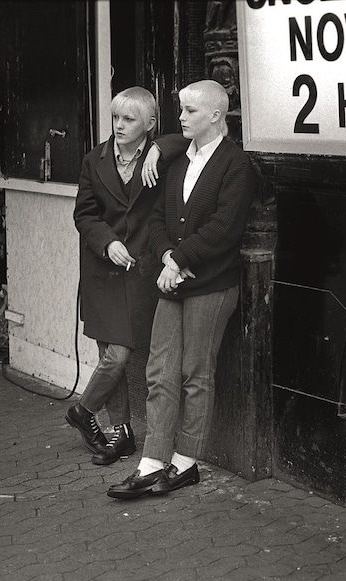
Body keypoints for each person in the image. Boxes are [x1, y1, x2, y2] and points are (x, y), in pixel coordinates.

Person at [108, 79, 257, 499]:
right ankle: (152, 462)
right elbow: (157, 218)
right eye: (181, 110)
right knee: (159, 372)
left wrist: (177, 260)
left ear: (215, 115)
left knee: (196, 373)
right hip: (174, 281)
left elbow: (225, 228)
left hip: (212, 284)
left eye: (190, 111)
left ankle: (186, 461)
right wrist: (167, 257)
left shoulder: (236, 164)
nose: (181, 117)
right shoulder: (176, 160)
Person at [66, 86, 185, 466]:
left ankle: (83, 410)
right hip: (102, 268)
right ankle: (122, 434)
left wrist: (158, 148)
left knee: (118, 354)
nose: (118, 125)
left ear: (149, 124)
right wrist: (106, 242)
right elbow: (84, 214)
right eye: (115, 117)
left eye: (129, 119)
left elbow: (191, 138)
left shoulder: (160, 157)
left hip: (139, 270)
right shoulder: (94, 159)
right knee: (110, 353)